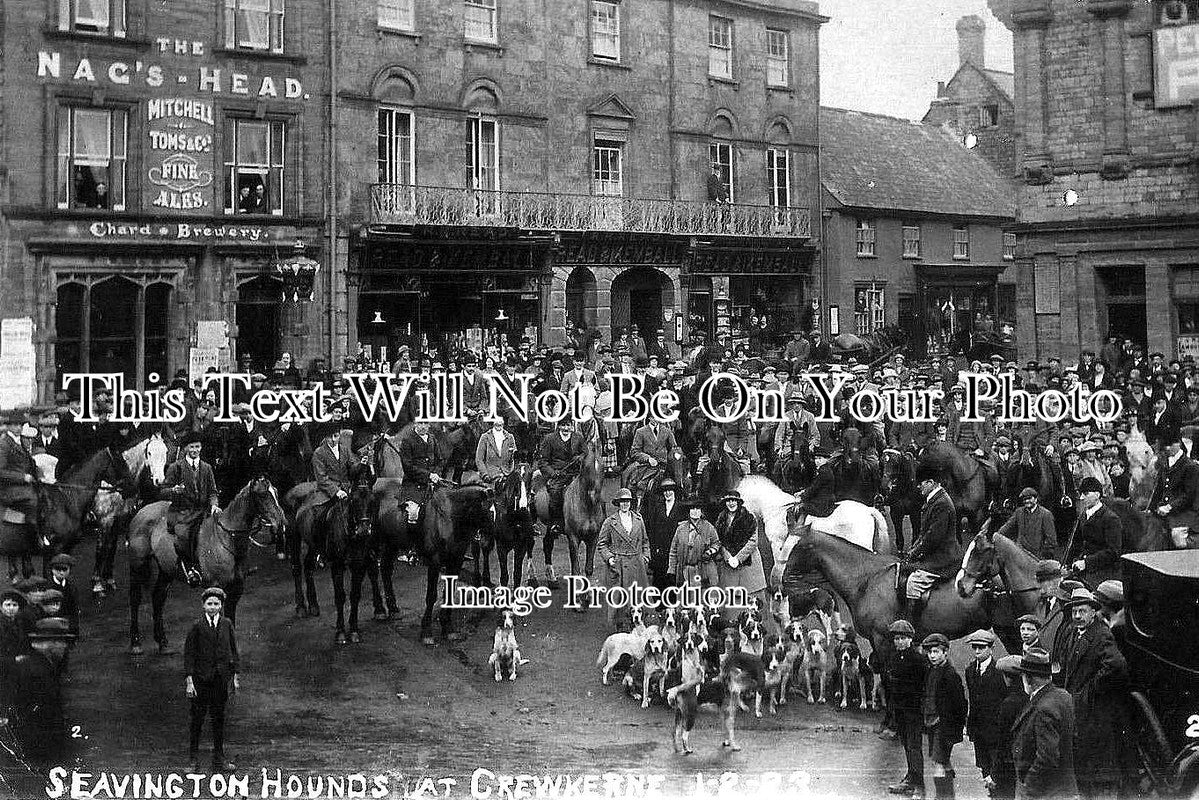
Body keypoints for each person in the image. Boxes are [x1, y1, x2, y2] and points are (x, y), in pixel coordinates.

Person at [1058, 588, 1127, 800]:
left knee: (1098, 775)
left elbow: (1117, 666)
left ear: (1092, 612)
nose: (1078, 616)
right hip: (1079, 712)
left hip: (1095, 714)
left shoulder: (1101, 634)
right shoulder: (1073, 633)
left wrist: (1089, 690)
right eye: (1074, 612)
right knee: (1082, 773)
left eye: (1082, 611)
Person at [1009, 647, 1079, 800]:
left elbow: (1047, 758)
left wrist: (1029, 787)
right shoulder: (1064, 696)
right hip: (1066, 788)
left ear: (1028, 678)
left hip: (1046, 792)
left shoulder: (1043, 708)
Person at [183, 587, 240, 773]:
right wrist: (190, 680)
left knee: (218, 719)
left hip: (220, 679)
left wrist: (235, 675)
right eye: (210, 604)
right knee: (197, 720)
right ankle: (193, 760)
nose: (213, 607)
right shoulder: (197, 626)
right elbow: (189, 654)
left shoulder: (227, 624)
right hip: (201, 679)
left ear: (221, 605)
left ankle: (219, 758)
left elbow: (234, 650)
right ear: (203, 605)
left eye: (216, 604)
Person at [902, 465, 961, 631]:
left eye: (922, 483)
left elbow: (933, 538)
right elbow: (923, 534)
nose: (919, 486)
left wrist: (914, 553)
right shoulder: (934, 500)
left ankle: (913, 628)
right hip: (934, 553)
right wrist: (911, 551)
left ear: (932, 482)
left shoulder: (942, 503)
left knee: (913, 583)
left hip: (943, 558)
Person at [10, 617, 75, 766]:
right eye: (60, 641)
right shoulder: (38, 669)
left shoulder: (40, 664)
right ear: (45, 644)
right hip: (38, 748)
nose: (63, 647)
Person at [161, 433, 220, 587]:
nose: (195, 450)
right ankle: (190, 569)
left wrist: (214, 504)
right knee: (183, 535)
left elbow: (213, 491)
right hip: (183, 512)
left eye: (197, 446)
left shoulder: (207, 468)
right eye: (192, 447)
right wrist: (174, 490)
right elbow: (163, 491)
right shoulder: (176, 467)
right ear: (186, 448)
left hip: (203, 511)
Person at [596, 489, 650, 631]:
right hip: (618, 564)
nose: (625, 504)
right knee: (619, 598)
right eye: (622, 502)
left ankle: (636, 627)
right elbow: (602, 544)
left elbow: (645, 541)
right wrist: (610, 559)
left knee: (636, 597)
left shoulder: (639, 519)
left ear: (631, 503)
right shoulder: (610, 521)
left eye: (627, 501)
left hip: (636, 564)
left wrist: (645, 558)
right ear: (618, 504)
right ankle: (620, 628)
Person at [886, 619, 929, 798]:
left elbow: (923, 686)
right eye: (896, 638)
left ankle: (918, 784)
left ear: (911, 639)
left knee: (914, 746)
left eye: (903, 638)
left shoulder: (918, 659)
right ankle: (910, 777)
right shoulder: (894, 658)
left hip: (914, 710)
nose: (899, 642)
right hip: (900, 710)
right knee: (906, 745)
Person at [921, 633, 966, 800]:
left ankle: (941, 797)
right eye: (930, 652)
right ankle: (949, 795)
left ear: (945, 653)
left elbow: (960, 704)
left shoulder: (950, 675)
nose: (932, 655)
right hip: (931, 722)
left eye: (936, 652)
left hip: (943, 725)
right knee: (942, 761)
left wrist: (954, 726)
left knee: (939, 762)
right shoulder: (931, 671)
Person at [964, 629, 1007, 796]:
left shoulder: (999, 672)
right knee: (984, 768)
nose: (977, 651)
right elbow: (973, 701)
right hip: (978, 729)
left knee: (997, 773)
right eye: (974, 647)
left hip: (994, 730)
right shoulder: (970, 670)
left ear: (991, 648)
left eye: (981, 647)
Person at [0, 409, 48, 552]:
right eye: (15, 425)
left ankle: (45, 530)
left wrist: (39, 474)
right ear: (8, 426)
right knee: (34, 500)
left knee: (46, 494)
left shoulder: (19, 440)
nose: (19, 428)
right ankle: (35, 538)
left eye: (20, 425)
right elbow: (1, 471)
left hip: (22, 485)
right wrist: (23, 477)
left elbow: (29, 463)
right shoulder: (4, 444)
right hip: (8, 488)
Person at [1063, 477, 1122, 588]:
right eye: (1081, 494)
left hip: (1104, 573)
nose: (1081, 498)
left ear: (1097, 495)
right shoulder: (1083, 516)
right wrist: (1067, 563)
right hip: (1082, 569)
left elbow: (1113, 552)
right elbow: (1076, 544)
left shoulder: (1110, 518)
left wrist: (1086, 563)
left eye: (1086, 494)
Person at [714, 491, 768, 611]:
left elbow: (753, 541)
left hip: (749, 564)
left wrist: (738, 558)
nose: (731, 503)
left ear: (738, 502)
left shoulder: (749, 517)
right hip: (729, 566)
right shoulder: (721, 518)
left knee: (754, 603)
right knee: (732, 603)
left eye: (734, 500)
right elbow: (718, 541)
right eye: (728, 501)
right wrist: (728, 557)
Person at [990, 655, 1030, 800]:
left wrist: (994, 773)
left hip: (1007, 763)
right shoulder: (1028, 699)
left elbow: (1002, 740)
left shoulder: (1008, 704)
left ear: (1006, 678)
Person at [1148, 436, 1199, 549]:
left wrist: (1169, 507)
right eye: (1165, 445)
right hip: (1163, 510)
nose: (1167, 448)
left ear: (1178, 444)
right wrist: (1150, 509)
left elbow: (1189, 495)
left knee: (1177, 536)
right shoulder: (1165, 464)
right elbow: (1158, 490)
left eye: (1170, 445)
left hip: (1185, 512)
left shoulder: (1190, 466)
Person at [642, 478, 688, 592]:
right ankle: (659, 604)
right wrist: (654, 548)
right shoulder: (658, 507)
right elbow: (652, 529)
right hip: (660, 549)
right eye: (665, 491)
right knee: (659, 577)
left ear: (674, 492)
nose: (667, 493)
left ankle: (672, 605)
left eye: (670, 490)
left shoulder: (681, 508)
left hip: (675, 549)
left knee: (673, 578)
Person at [666, 502, 721, 590]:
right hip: (684, 570)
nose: (695, 511)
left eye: (698, 509)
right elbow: (673, 550)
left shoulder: (708, 527)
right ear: (688, 511)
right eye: (692, 509)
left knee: (701, 598)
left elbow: (717, 543)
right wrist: (672, 570)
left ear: (701, 512)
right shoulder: (681, 528)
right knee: (685, 599)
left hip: (702, 570)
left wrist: (710, 551)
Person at [994, 487, 1058, 560]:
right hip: (1019, 553)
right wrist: (997, 535)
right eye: (1025, 499)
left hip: (1036, 557)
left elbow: (1051, 540)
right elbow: (1007, 526)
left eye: (1029, 498)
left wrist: (1044, 556)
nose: (1027, 501)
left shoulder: (1045, 514)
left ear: (1036, 499)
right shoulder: (1019, 512)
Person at [475, 416, 516, 485]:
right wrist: (485, 475)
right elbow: (479, 459)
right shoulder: (485, 437)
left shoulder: (510, 437)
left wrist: (510, 471)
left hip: (507, 475)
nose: (498, 423)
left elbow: (513, 457)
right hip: (490, 477)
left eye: (501, 421)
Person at [48, 553, 79, 634]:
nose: (61, 572)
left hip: (68, 626)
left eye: (64, 569)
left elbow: (74, 610)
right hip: (51, 626)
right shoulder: (46, 586)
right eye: (58, 569)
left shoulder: (72, 587)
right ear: (52, 570)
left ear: (69, 570)